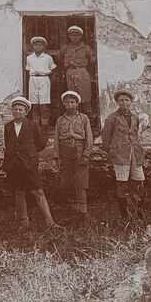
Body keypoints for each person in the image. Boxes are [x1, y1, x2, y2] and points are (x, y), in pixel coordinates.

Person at [2, 96, 58, 229]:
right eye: (15, 109)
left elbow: (40, 144)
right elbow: (8, 144)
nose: (17, 112)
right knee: (19, 191)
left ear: (26, 112)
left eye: (20, 110)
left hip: (29, 164)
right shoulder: (8, 126)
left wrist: (29, 154)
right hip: (14, 164)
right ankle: (23, 221)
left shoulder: (32, 125)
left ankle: (50, 222)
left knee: (38, 191)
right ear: (12, 111)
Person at [100, 90, 144, 221]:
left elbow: (135, 135)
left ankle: (138, 210)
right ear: (117, 102)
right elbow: (106, 138)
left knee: (139, 181)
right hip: (120, 154)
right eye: (121, 100)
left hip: (135, 154)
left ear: (131, 102)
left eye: (127, 100)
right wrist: (112, 152)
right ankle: (124, 213)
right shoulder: (112, 118)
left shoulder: (135, 117)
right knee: (122, 183)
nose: (124, 103)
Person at [53, 90, 93, 226]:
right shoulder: (60, 120)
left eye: (72, 102)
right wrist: (57, 156)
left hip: (79, 150)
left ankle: (83, 212)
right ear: (63, 104)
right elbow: (57, 139)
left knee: (81, 182)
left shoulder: (84, 118)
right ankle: (71, 212)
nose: (69, 105)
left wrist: (86, 154)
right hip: (65, 151)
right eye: (67, 102)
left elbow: (89, 138)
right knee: (67, 181)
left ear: (77, 103)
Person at [60, 26, 95, 117]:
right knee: (72, 96)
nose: (74, 37)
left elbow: (92, 60)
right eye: (72, 35)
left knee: (85, 95)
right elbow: (60, 60)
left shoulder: (86, 48)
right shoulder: (65, 48)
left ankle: (88, 117)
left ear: (81, 36)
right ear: (69, 36)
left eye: (77, 35)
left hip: (82, 71)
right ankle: (74, 116)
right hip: (70, 72)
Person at [25, 36, 56, 126]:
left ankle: (44, 125)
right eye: (35, 45)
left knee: (44, 104)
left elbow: (53, 70)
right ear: (32, 46)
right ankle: (36, 126)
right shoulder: (29, 58)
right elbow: (28, 70)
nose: (38, 47)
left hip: (44, 79)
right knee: (34, 104)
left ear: (44, 47)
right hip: (33, 79)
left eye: (40, 45)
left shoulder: (48, 58)